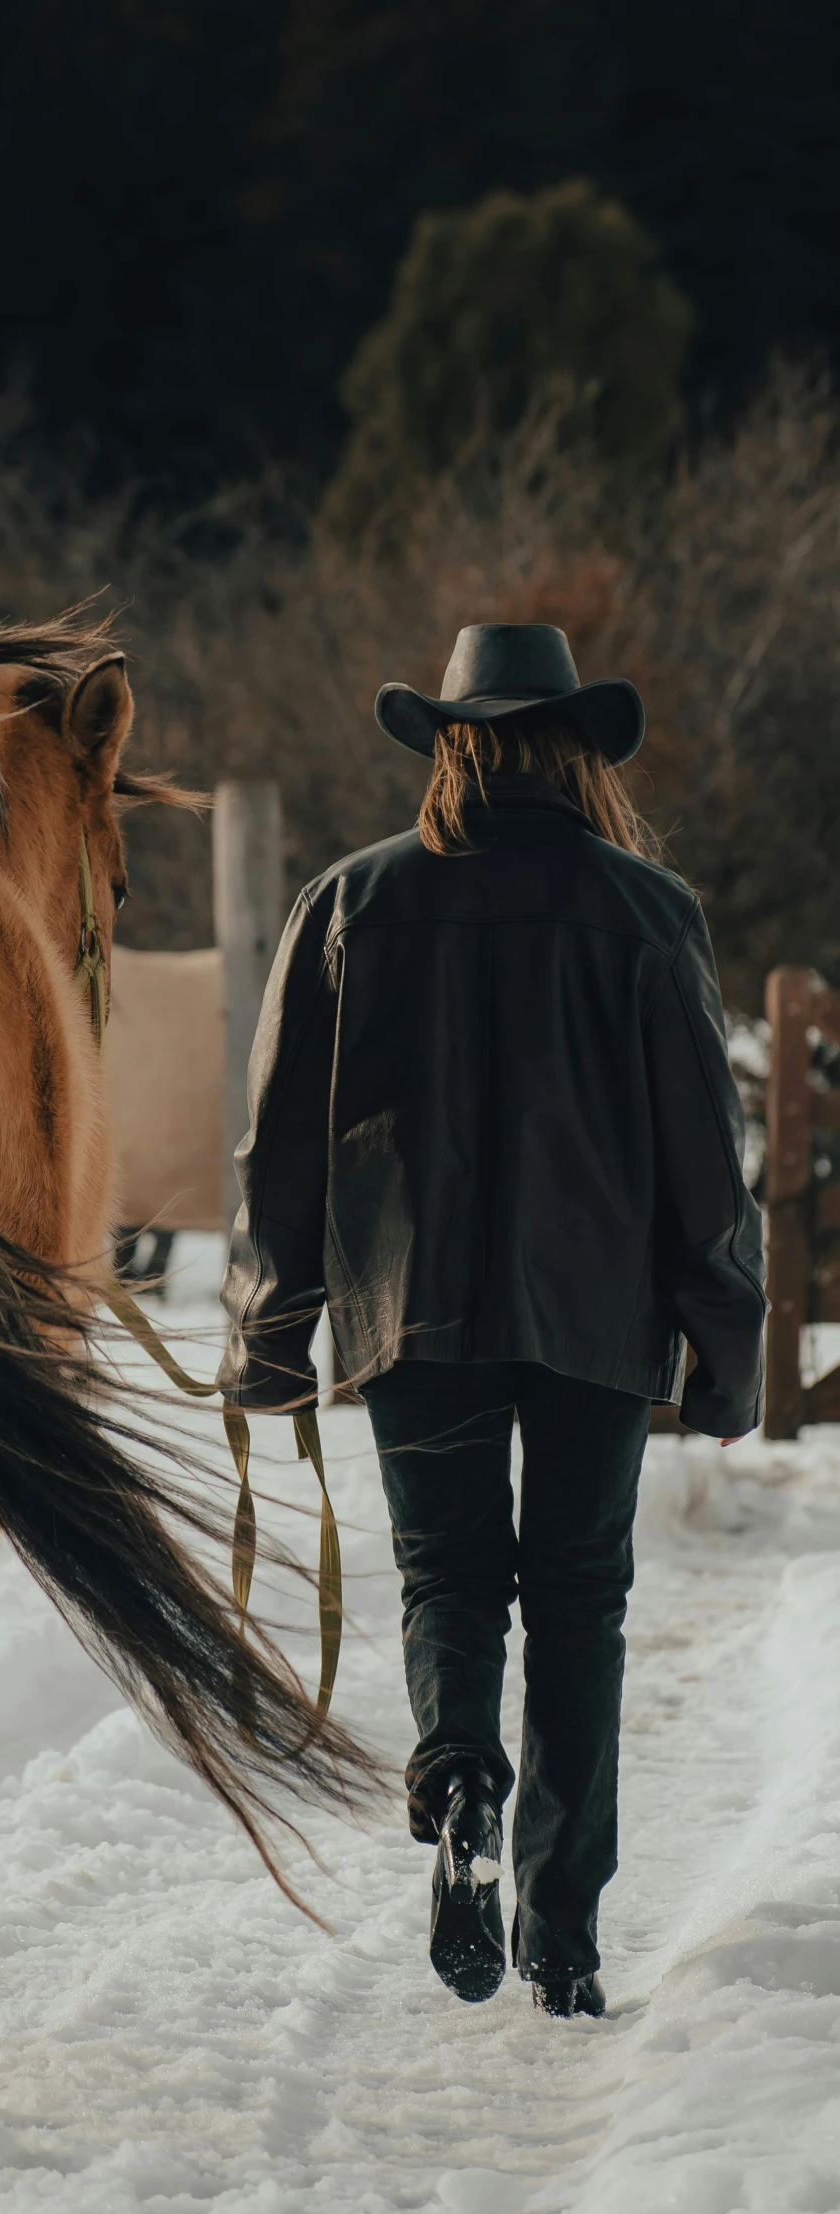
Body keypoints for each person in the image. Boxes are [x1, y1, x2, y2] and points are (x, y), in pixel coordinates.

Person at [218, 624, 766, 2017]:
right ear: (577, 751)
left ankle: (457, 1767)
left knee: (446, 1581)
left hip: (411, 1305)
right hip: (595, 1311)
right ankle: (562, 1930)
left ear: (449, 742)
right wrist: (724, 1338)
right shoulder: (646, 912)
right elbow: (703, 1154)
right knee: (578, 1601)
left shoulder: (349, 902)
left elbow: (279, 1138)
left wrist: (267, 1324)